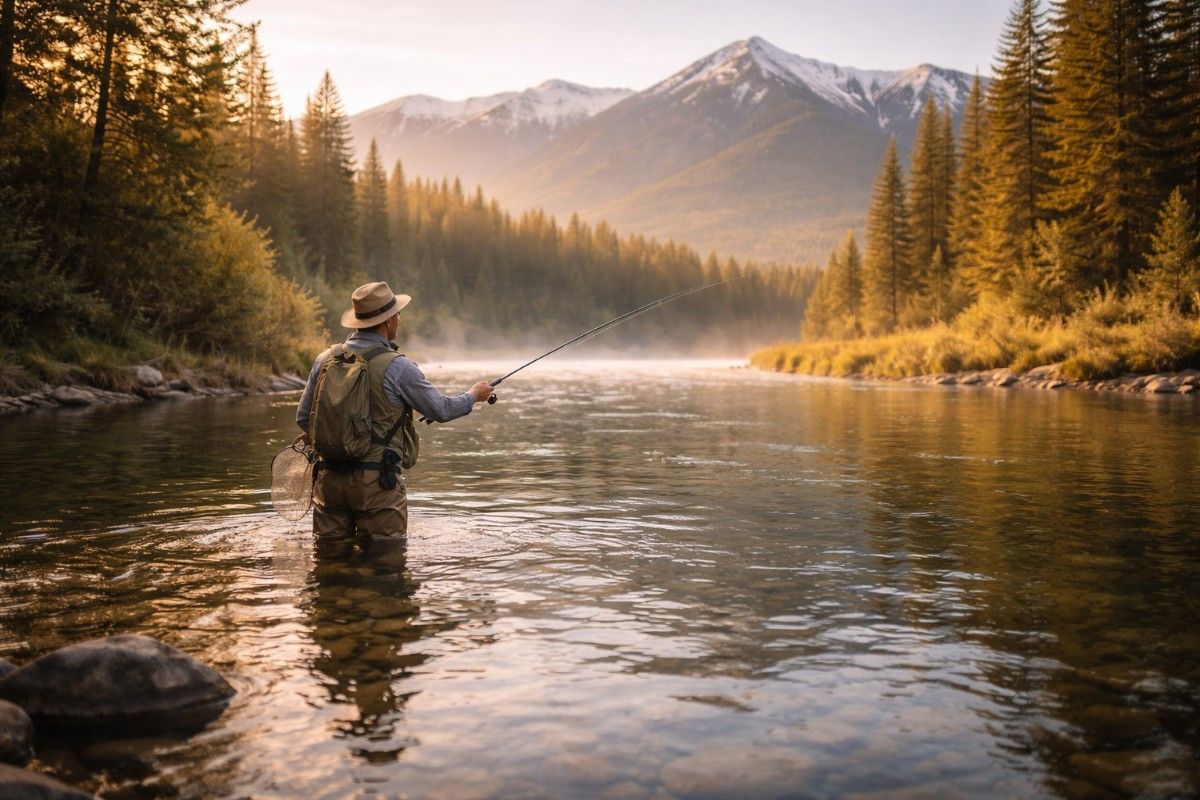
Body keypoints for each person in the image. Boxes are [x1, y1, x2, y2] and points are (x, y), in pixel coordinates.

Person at [296, 281, 493, 547]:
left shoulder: (325, 359)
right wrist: (473, 395)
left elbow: (304, 419)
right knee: (386, 570)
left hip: (329, 483)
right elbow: (441, 410)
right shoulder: (398, 367)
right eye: (397, 314)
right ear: (387, 321)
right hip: (377, 485)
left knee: (328, 566)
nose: (399, 319)